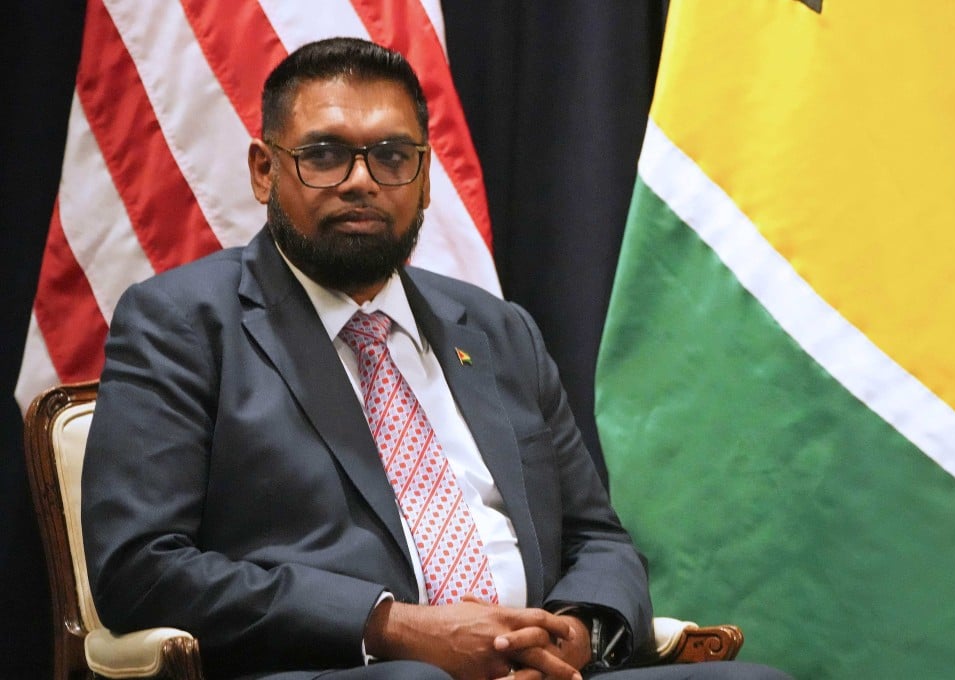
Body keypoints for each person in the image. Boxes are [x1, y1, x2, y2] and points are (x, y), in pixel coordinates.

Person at [81, 37, 790, 680]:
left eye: (392, 156)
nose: (361, 180)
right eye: (325, 154)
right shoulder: (183, 321)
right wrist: (391, 628)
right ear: (265, 171)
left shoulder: (496, 328)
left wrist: (577, 633)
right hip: (344, 669)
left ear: (423, 178)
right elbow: (141, 569)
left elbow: (596, 538)